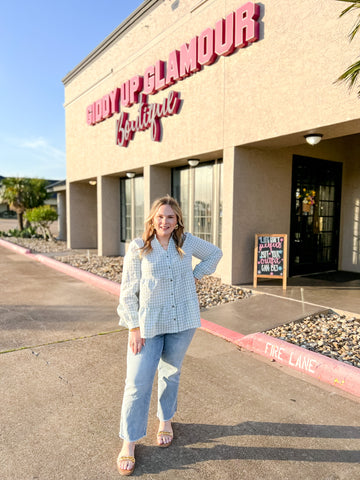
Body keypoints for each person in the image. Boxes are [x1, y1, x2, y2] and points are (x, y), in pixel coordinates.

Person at [116, 195, 223, 476]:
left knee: (170, 373)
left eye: (170, 217)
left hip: (182, 321)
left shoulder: (185, 242)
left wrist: (196, 275)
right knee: (137, 383)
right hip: (147, 326)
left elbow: (215, 252)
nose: (165, 221)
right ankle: (130, 441)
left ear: (178, 221)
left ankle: (165, 420)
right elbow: (128, 291)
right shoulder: (139, 247)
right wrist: (133, 327)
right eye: (160, 216)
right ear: (152, 219)